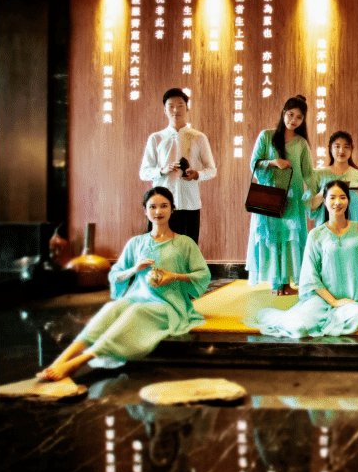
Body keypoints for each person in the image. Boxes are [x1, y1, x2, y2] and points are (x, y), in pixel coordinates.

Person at [36, 187, 209, 381]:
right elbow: (116, 274)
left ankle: (78, 362)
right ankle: (60, 360)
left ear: (172, 209)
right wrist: (134, 269)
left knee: (136, 312)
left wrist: (173, 276)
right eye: (152, 207)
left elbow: (202, 275)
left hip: (169, 305)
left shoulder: (185, 243)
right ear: (145, 211)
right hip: (138, 297)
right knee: (112, 308)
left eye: (164, 206)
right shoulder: (136, 243)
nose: (158, 211)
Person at [254, 180, 358, 338]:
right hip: (321, 301)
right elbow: (311, 276)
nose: (337, 202)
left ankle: (323, 324)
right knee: (298, 329)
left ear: (348, 200)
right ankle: (317, 321)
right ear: (324, 201)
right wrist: (334, 302)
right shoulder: (316, 235)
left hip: (353, 302)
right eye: (332, 198)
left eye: (342, 197)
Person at [246, 95, 314, 295]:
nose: (293, 120)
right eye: (290, 114)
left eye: (299, 117)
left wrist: (323, 189)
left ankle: (287, 283)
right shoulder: (266, 136)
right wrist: (273, 162)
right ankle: (276, 283)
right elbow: (254, 164)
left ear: (303, 120)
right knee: (272, 237)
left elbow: (309, 173)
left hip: (293, 198)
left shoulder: (301, 143)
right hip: (270, 196)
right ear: (283, 113)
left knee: (290, 238)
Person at [138, 88, 217, 244]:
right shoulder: (156, 138)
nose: (176, 110)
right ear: (164, 110)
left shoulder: (198, 137)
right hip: (161, 207)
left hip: (189, 205)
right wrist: (162, 171)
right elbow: (144, 172)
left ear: (187, 108)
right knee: (159, 251)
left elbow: (212, 170)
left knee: (188, 251)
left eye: (180, 105)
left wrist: (197, 175)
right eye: (171, 106)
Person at [307, 131, 358, 228]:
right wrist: (323, 193)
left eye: (346, 146)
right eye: (337, 146)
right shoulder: (319, 175)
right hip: (326, 232)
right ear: (330, 149)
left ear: (351, 149)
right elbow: (309, 208)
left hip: (355, 231)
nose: (341, 150)